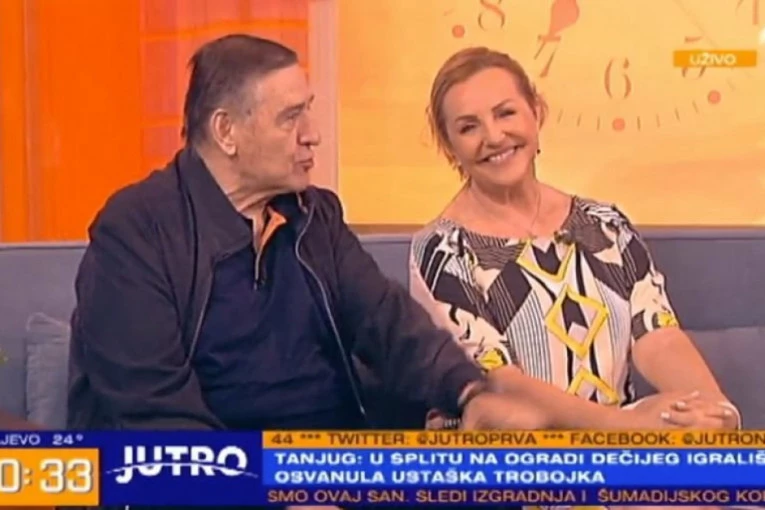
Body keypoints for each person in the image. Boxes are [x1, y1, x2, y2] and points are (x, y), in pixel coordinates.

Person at [67, 34, 531, 442]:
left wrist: (468, 390)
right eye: (291, 118)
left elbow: (387, 322)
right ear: (227, 132)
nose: (313, 136)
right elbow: (155, 413)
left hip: (327, 463)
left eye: (308, 111)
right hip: (213, 478)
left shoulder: (315, 215)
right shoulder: (137, 231)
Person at [409, 46, 741, 432]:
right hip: (516, 453)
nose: (494, 136)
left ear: (536, 112)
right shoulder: (443, 251)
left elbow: (658, 335)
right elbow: (500, 383)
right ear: (450, 147)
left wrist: (714, 411)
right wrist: (624, 428)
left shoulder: (605, 225)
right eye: (469, 127)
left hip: (619, 442)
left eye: (506, 113)